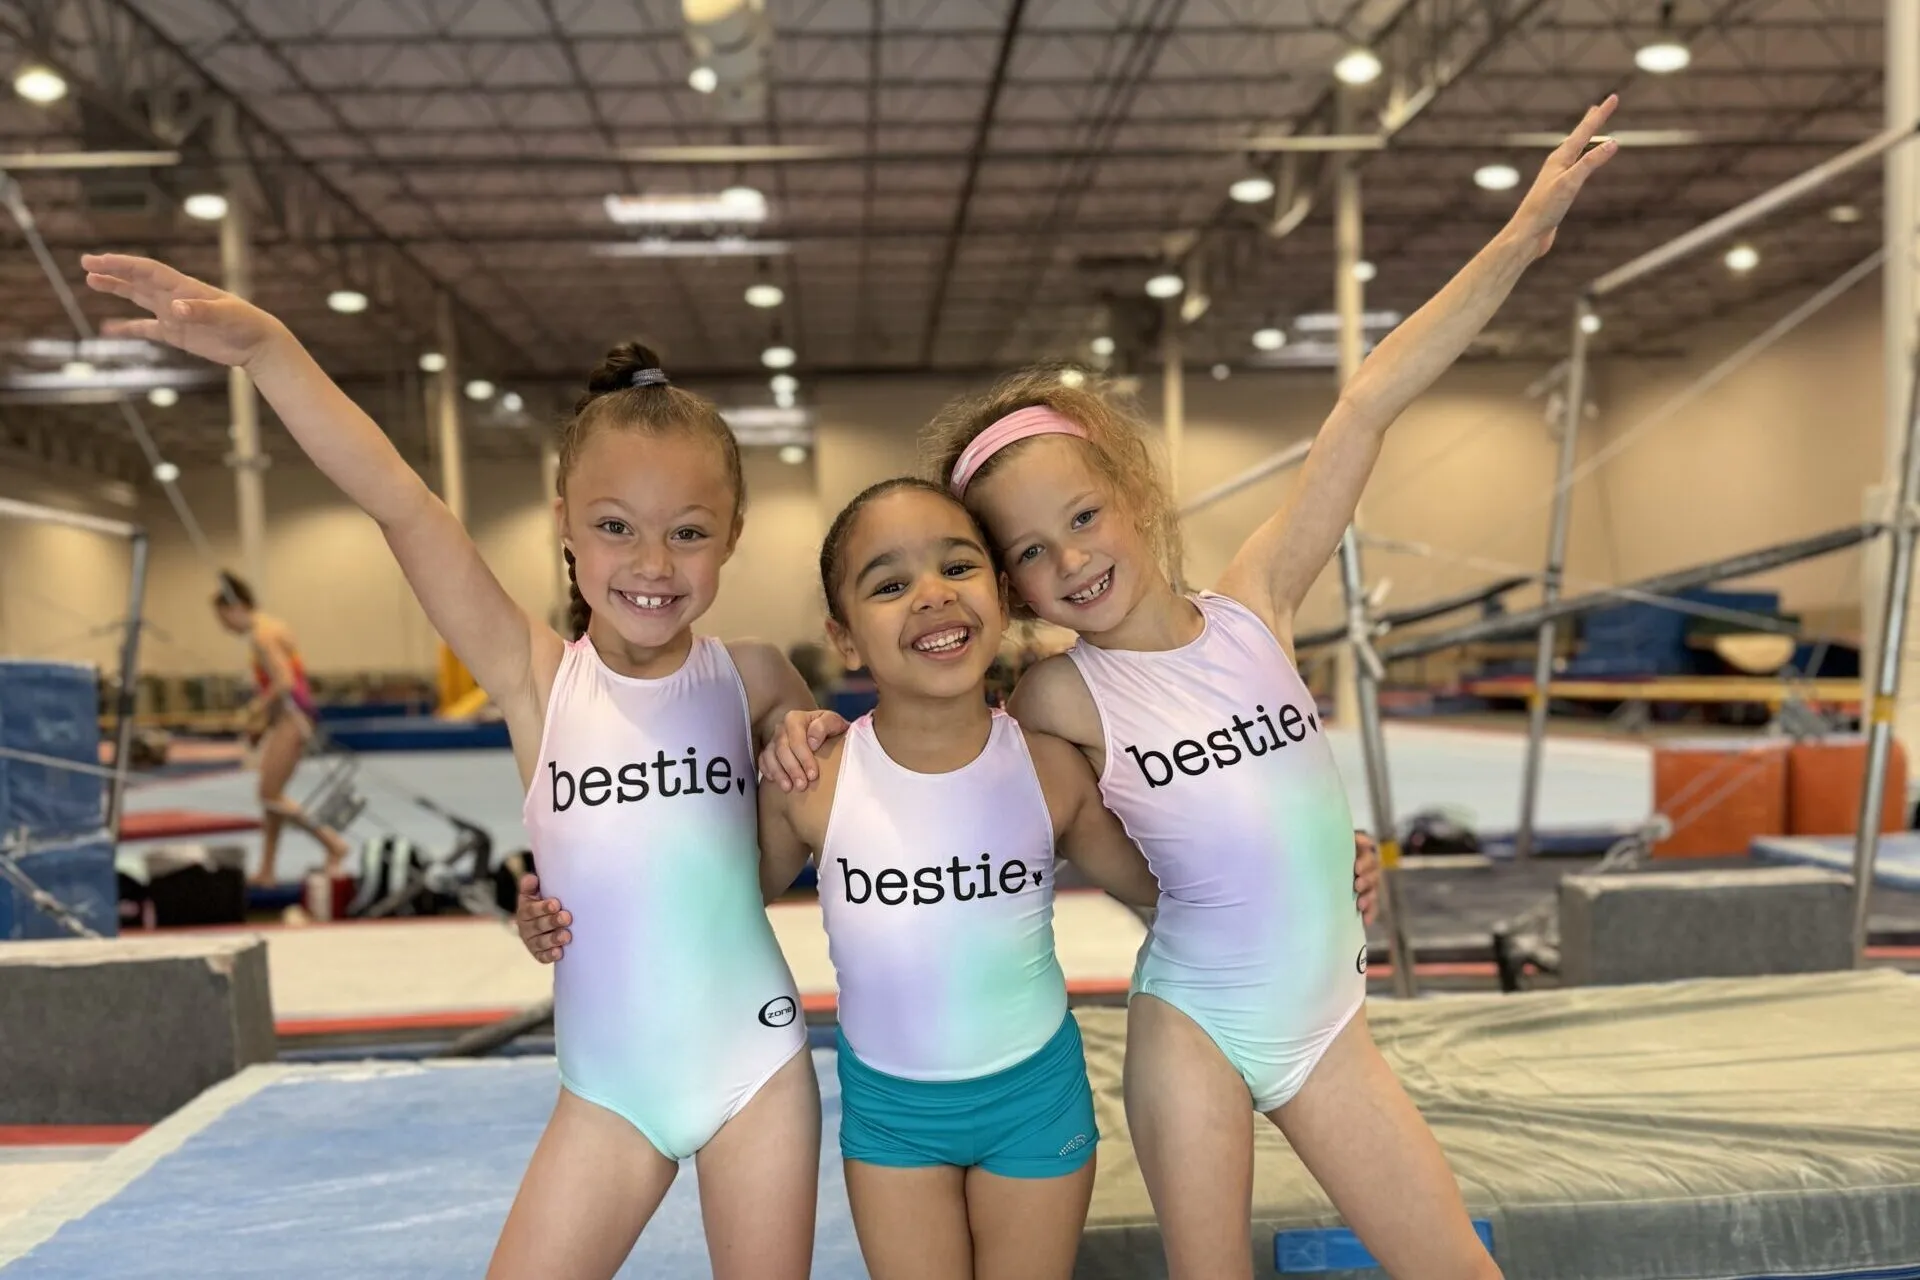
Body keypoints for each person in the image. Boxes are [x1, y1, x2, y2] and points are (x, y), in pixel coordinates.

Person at [764, 99, 1621, 1279]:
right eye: (1030, 552)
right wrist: (809, 722)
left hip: (1327, 1023)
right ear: (1013, 588)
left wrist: (1521, 236)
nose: (1070, 559)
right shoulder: (1067, 699)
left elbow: (1365, 406)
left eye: (1082, 516)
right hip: (1195, 1025)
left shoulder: (1254, 601)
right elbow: (937, 739)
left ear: (1131, 487)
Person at [84, 252, 822, 1280]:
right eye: (615, 527)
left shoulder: (748, 674)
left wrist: (800, 724)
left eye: (687, 534)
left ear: (731, 537)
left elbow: (801, 735)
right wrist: (269, 350)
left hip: (756, 1067)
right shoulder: (536, 679)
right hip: (609, 1087)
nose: (652, 564)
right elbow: (403, 503)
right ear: (564, 523)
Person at [516, 477, 1374, 1280]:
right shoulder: (814, 784)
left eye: (958, 567)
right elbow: (701, 910)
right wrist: (555, 913)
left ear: (1000, 594)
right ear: (844, 635)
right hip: (895, 1123)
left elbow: (1179, 892)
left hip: (1035, 1105)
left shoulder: (1048, 772)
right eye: (889, 586)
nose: (931, 594)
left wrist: (1317, 873)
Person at [210, 570, 350, 885]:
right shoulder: (273, 627)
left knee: (269, 794)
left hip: (294, 719)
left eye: (223, 619)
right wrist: (262, 723)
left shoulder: (263, 635)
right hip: (289, 718)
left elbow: (285, 681)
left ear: (236, 608)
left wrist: (254, 709)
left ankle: (333, 844)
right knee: (271, 795)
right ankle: (268, 870)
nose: (224, 627)